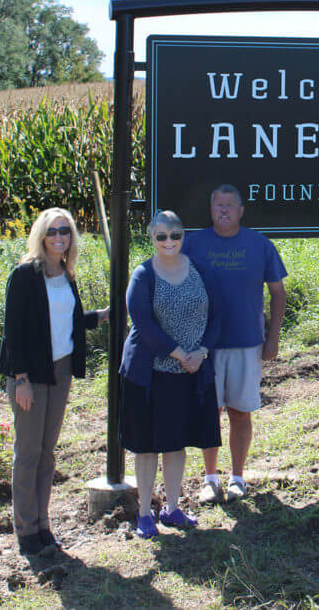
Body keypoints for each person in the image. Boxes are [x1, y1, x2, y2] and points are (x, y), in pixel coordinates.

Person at [0, 208, 108, 556]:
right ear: (41, 236)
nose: (59, 238)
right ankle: (26, 531)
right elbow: (13, 332)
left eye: (65, 231)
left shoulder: (65, 272)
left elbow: (68, 320)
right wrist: (21, 380)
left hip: (60, 371)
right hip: (30, 374)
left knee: (47, 453)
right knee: (28, 452)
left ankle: (44, 524)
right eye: (53, 232)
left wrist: (100, 316)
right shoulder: (25, 275)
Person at [119, 211, 222, 538]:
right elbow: (144, 325)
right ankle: (145, 513)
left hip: (190, 371)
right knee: (148, 445)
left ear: (182, 236)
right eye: (161, 236)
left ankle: (173, 508)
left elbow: (217, 316)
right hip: (149, 374)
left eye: (175, 235)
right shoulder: (143, 275)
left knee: (176, 443)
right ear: (151, 237)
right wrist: (180, 354)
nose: (169, 242)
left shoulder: (199, 270)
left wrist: (201, 353)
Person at [183, 184, 287, 504]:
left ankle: (237, 477)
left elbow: (278, 293)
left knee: (240, 412)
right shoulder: (193, 243)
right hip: (205, 347)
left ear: (241, 211)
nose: (224, 210)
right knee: (209, 413)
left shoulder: (259, 244)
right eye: (218, 205)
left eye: (230, 205)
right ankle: (210, 478)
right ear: (210, 210)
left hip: (246, 343)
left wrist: (272, 338)